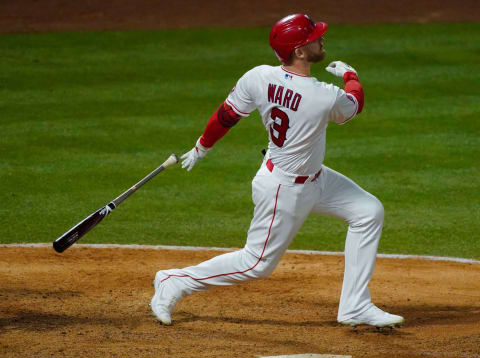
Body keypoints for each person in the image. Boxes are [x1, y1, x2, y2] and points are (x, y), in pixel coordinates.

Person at [151, 14, 404, 328]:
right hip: (285, 189)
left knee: (368, 211)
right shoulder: (323, 95)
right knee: (255, 264)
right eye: (313, 37)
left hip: (313, 178)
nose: (321, 38)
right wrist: (351, 74)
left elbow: (227, 115)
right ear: (299, 52)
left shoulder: (258, 77)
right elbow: (355, 103)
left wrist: (202, 146)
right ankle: (174, 281)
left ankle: (354, 306)